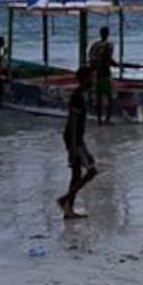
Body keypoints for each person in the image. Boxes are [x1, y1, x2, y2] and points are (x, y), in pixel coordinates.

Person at [57, 67, 98, 219]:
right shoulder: (78, 97)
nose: (93, 80)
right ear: (85, 78)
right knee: (92, 171)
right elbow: (73, 122)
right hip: (74, 139)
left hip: (75, 138)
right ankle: (65, 200)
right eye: (91, 77)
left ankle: (68, 209)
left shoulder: (80, 95)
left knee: (76, 174)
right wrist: (74, 148)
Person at [87, 27, 119, 125]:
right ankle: (107, 120)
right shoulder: (109, 45)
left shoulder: (94, 45)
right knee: (110, 97)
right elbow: (108, 59)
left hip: (97, 74)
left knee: (99, 98)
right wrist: (116, 64)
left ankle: (99, 120)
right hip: (105, 73)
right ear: (107, 34)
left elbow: (91, 58)